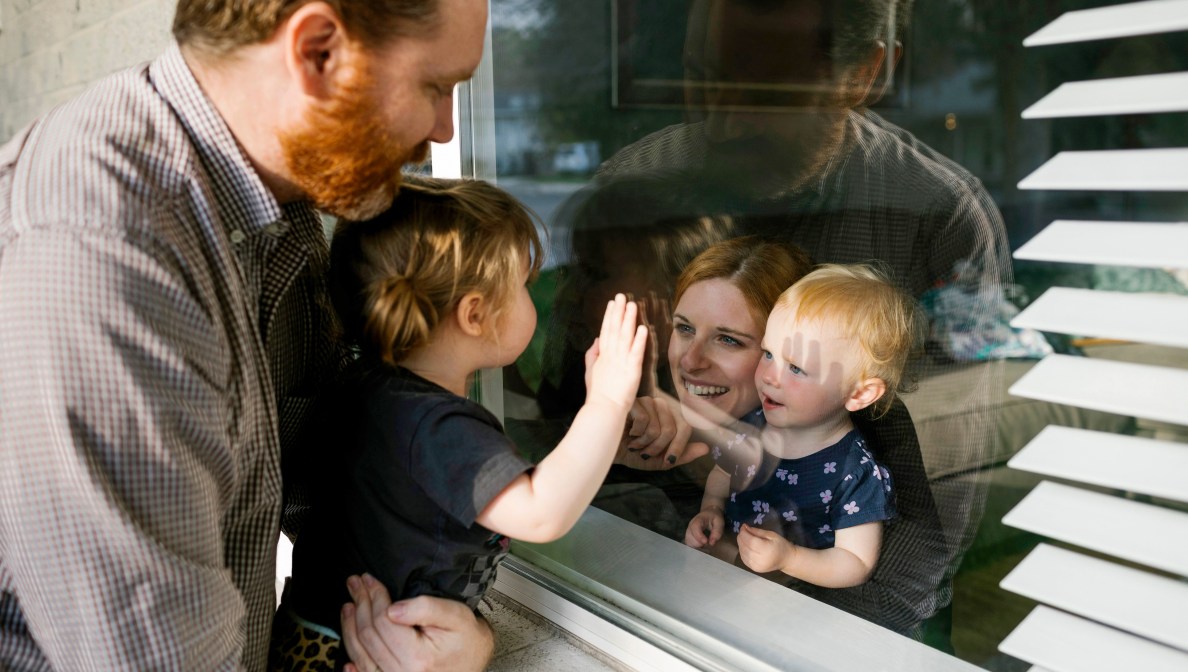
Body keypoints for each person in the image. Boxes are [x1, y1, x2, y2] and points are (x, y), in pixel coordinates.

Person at [0, 1, 495, 669]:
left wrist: (450, 630)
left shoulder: (279, 209)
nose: (445, 131)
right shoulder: (103, 259)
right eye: (435, 87)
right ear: (317, 51)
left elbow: (340, 489)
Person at [600, 0, 1010, 639]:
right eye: (703, 77)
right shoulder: (633, 192)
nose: (722, 123)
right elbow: (569, 418)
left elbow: (940, 495)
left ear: (862, 74)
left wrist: (831, 641)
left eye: (761, 89)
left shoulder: (940, 217)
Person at [271, 178, 648, 669]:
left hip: (317, 639)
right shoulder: (436, 427)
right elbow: (542, 513)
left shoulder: (373, 393)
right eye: (524, 285)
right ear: (475, 314)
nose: (533, 295)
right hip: (365, 656)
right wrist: (608, 401)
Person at [685, 264, 922, 591]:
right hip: (725, 575)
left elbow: (855, 563)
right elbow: (724, 473)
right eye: (769, 353)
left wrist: (789, 558)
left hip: (792, 600)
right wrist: (711, 508)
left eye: (795, 368)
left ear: (859, 394)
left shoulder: (853, 472)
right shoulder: (755, 422)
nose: (769, 376)